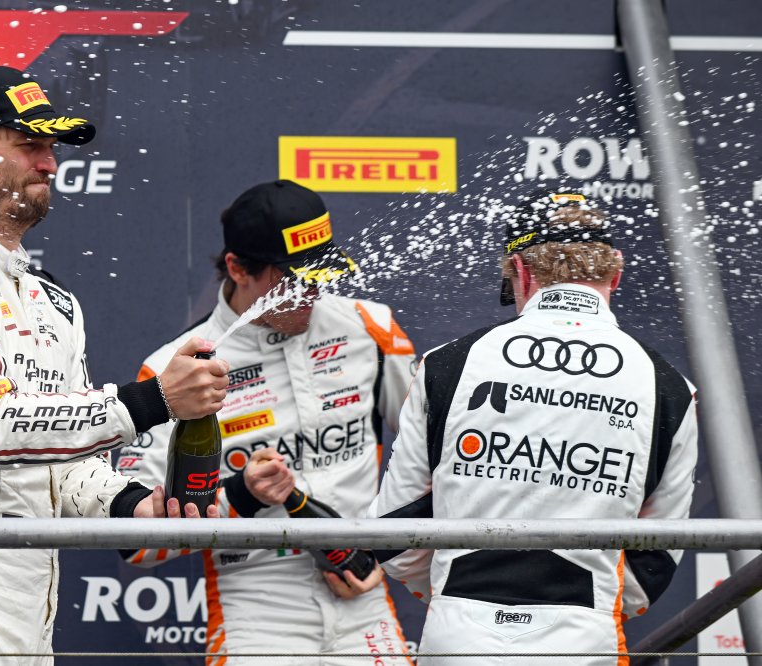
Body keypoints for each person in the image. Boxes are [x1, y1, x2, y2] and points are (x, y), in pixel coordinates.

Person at [0, 65, 229, 665]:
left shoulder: (52, 298)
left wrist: (134, 503)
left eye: (51, 148)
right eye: (29, 144)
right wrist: (154, 400)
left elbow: (62, 467)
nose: (49, 163)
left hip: (29, 600)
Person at [369, 192, 699, 665]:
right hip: (584, 640)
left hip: (460, 636)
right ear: (616, 272)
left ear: (521, 273)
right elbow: (655, 559)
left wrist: (456, 590)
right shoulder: (669, 386)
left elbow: (396, 533)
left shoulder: (448, 364)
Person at [116, 179, 417, 665]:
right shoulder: (177, 369)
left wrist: (383, 551)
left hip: (363, 593)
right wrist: (240, 496)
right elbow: (133, 546)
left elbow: (435, 461)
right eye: (293, 280)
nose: (311, 292)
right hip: (255, 604)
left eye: (320, 274)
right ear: (238, 268)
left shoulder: (370, 327)